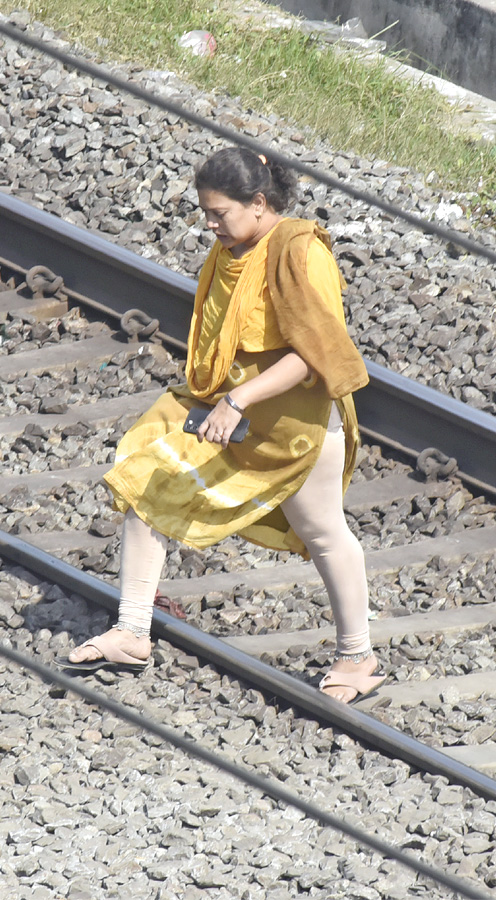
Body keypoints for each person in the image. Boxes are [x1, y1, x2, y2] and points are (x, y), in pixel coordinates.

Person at [62, 147, 382, 705]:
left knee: (323, 530)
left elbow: (315, 355)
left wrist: (238, 399)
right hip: (226, 410)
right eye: (206, 213)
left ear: (259, 203)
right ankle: (132, 631)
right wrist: (227, 402)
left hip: (292, 424)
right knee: (148, 481)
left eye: (219, 213)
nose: (209, 224)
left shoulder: (301, 253)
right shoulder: (232, 247)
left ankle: (358, 658)